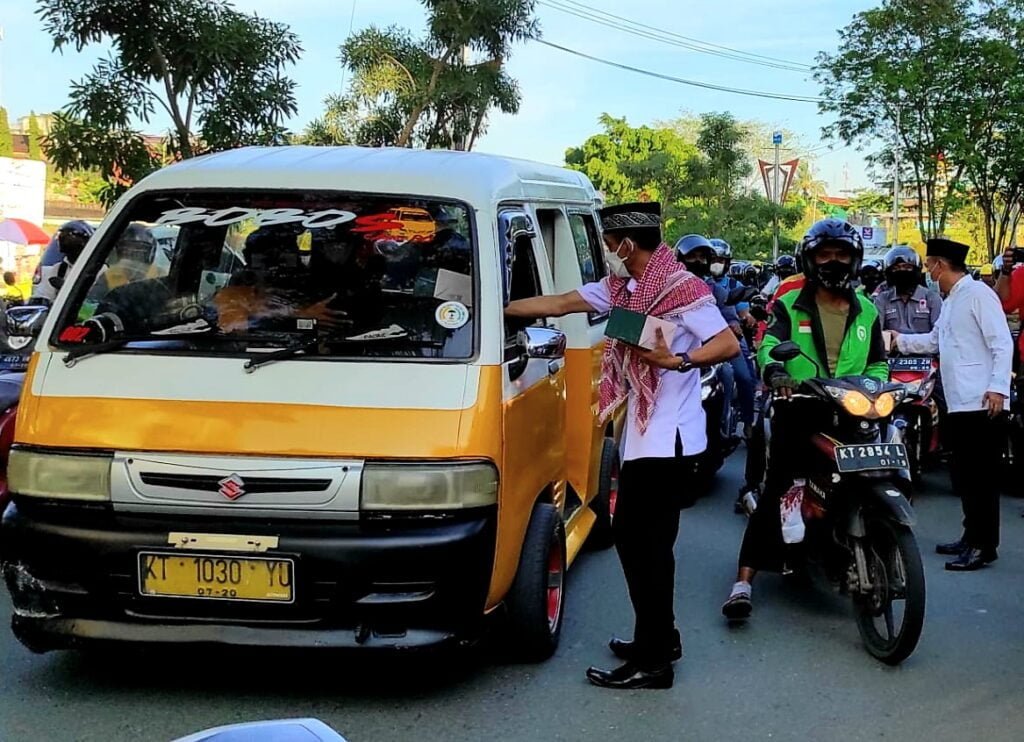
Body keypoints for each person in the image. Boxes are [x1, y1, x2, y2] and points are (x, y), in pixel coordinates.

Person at [507, 204, 739, 690]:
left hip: (669, 441)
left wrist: (678, 360)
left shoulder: (683, 289)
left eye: (611, 243)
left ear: (628, 243)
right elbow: (560, 303)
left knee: (644, 547)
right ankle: (659, 637)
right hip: (640, 435)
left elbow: (727, 344)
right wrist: (494, 309)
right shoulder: (622, 291)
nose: (608, 251)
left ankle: (654, 661)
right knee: (642, 545)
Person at [722, 219, 889, 620]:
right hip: (798, 407)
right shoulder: (788, 303)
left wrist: (875, 387)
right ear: (810, 260)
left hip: (851, 409)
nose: (834, 262)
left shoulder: (867, 309)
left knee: (872, 474)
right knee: (780, 486)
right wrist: (775, 373)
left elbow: (880, 363)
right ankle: (743, 581)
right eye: (825, 254)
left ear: (854, 259)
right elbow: (770, 345)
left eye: (842, 254)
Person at [893, 238, 1013, 571]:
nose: (927, 271)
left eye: (929, 264)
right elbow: (934, 341)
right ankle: (970, 535)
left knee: (982, 478)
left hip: (982, 400)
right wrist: (897, 339)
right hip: (960, 401)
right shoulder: (952, 300)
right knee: (965, 474)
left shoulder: (977, 295)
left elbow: (1002, 343)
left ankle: (983, 545)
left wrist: (998, 388)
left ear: (940, 265)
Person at [679, 235, 755, 440]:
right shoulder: (667, 288)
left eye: (702, 257)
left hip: (715, 348)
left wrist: (733, 325)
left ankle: (734, 424)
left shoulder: (718, 290)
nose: (697, 262)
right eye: (691, 256)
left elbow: (731, 318)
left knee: (737, 375)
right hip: (676, 353)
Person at [874, 246, 942, 334]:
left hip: (923, 347)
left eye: (907, 267)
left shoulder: (932, 298)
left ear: (916, 270)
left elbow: (938, 336)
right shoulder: (882, 299)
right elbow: (877, 333)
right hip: (891, 347)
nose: (902, 271)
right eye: (896, 268)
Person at [30, 220, 94, 305]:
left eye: (69, 235)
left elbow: (94, 304)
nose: (62, 238)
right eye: (61, 235)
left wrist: (66, 288)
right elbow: (44, 300)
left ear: (84, 242)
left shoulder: (98, 271)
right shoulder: (58, 270)